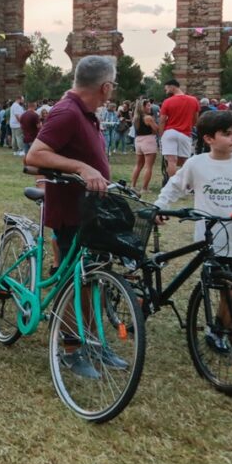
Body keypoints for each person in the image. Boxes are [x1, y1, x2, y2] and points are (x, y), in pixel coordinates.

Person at [154, 111, 232, 372]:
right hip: (213, 239)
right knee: (228, 289)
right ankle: (230, 337)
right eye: (227, 134)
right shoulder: (196, 163)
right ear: (209, 138)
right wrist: (159, 206)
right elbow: (175, 186)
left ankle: (218, 329)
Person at [24, 55, 116, 380]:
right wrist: (81, 167)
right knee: (72, 283)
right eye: (113, 86)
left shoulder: (85, 112)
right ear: (105, 87)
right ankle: (70, 349)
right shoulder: (67, 112)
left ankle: (91, 341)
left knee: (91, 281)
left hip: (90, 211)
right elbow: (34, 156)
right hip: (70, 213)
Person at [158, 79, 199, 182]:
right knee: (185, 161)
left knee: (171, 161)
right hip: (185, 132)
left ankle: (173, 184)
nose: (166, 91)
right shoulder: (193, 100)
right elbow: (195, 119)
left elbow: (162, 121)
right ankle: (186, 184)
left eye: (167, 88)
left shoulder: (167, 101)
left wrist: (161, 135)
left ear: (172, 87)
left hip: (169, 132)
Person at [130, 98, 159, 192]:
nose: (150, 107)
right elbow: (156, 129)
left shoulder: (136, 118)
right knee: (148, 166)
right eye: (148, 105)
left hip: (138, 140)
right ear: (143, 107)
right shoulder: (148, 118)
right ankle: (144, 188)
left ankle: (133, 185)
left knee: (138, 165)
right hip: (148, 140)